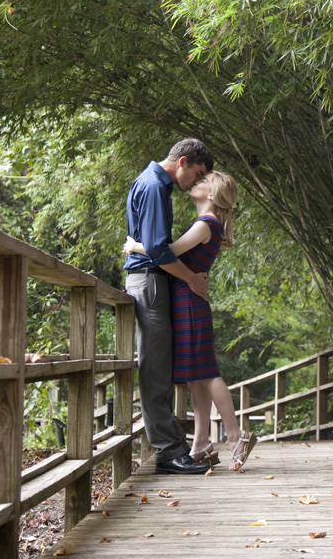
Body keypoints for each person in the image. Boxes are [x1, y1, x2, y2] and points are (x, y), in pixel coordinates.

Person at [124, 170, 257, 471]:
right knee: (197, 375)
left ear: (212, 194)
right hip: (186, 300)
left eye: (203, 181)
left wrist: (135, 247)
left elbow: (166, 252)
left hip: (189, 302)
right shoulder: (206, 224)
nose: (196, 182)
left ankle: (236, 436)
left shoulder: (205, 224)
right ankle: (201, 442)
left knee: (207, 372)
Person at [124, 138, 213, 475]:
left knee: (159, 367)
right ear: (183, 162)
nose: (197, 182)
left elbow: (151, 245)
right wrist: (192, 279)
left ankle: (172, 448)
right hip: (149, 280)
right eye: (198, 173)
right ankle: (168, 452)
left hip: (151, 280)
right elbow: (159, 251)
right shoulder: (154, 187)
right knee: (155, 370)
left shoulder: (152, 184)